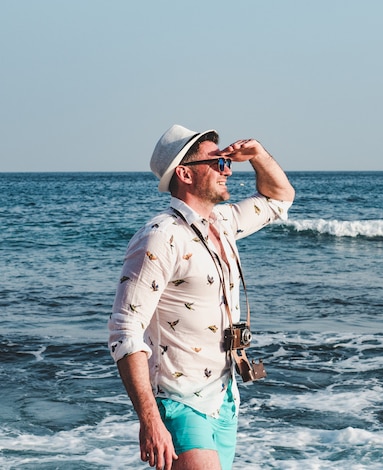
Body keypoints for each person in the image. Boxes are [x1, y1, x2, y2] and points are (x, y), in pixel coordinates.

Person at [108, 124, 295, 470]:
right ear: (184, 174)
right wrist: (150, 421)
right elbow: (124, 331)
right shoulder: (160, 237)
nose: (227, 170)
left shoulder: (222, 222)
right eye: (218, 163)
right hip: (177, 402)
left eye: (227, 162)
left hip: (224, 398)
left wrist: (258, 155)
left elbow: (280, 198)